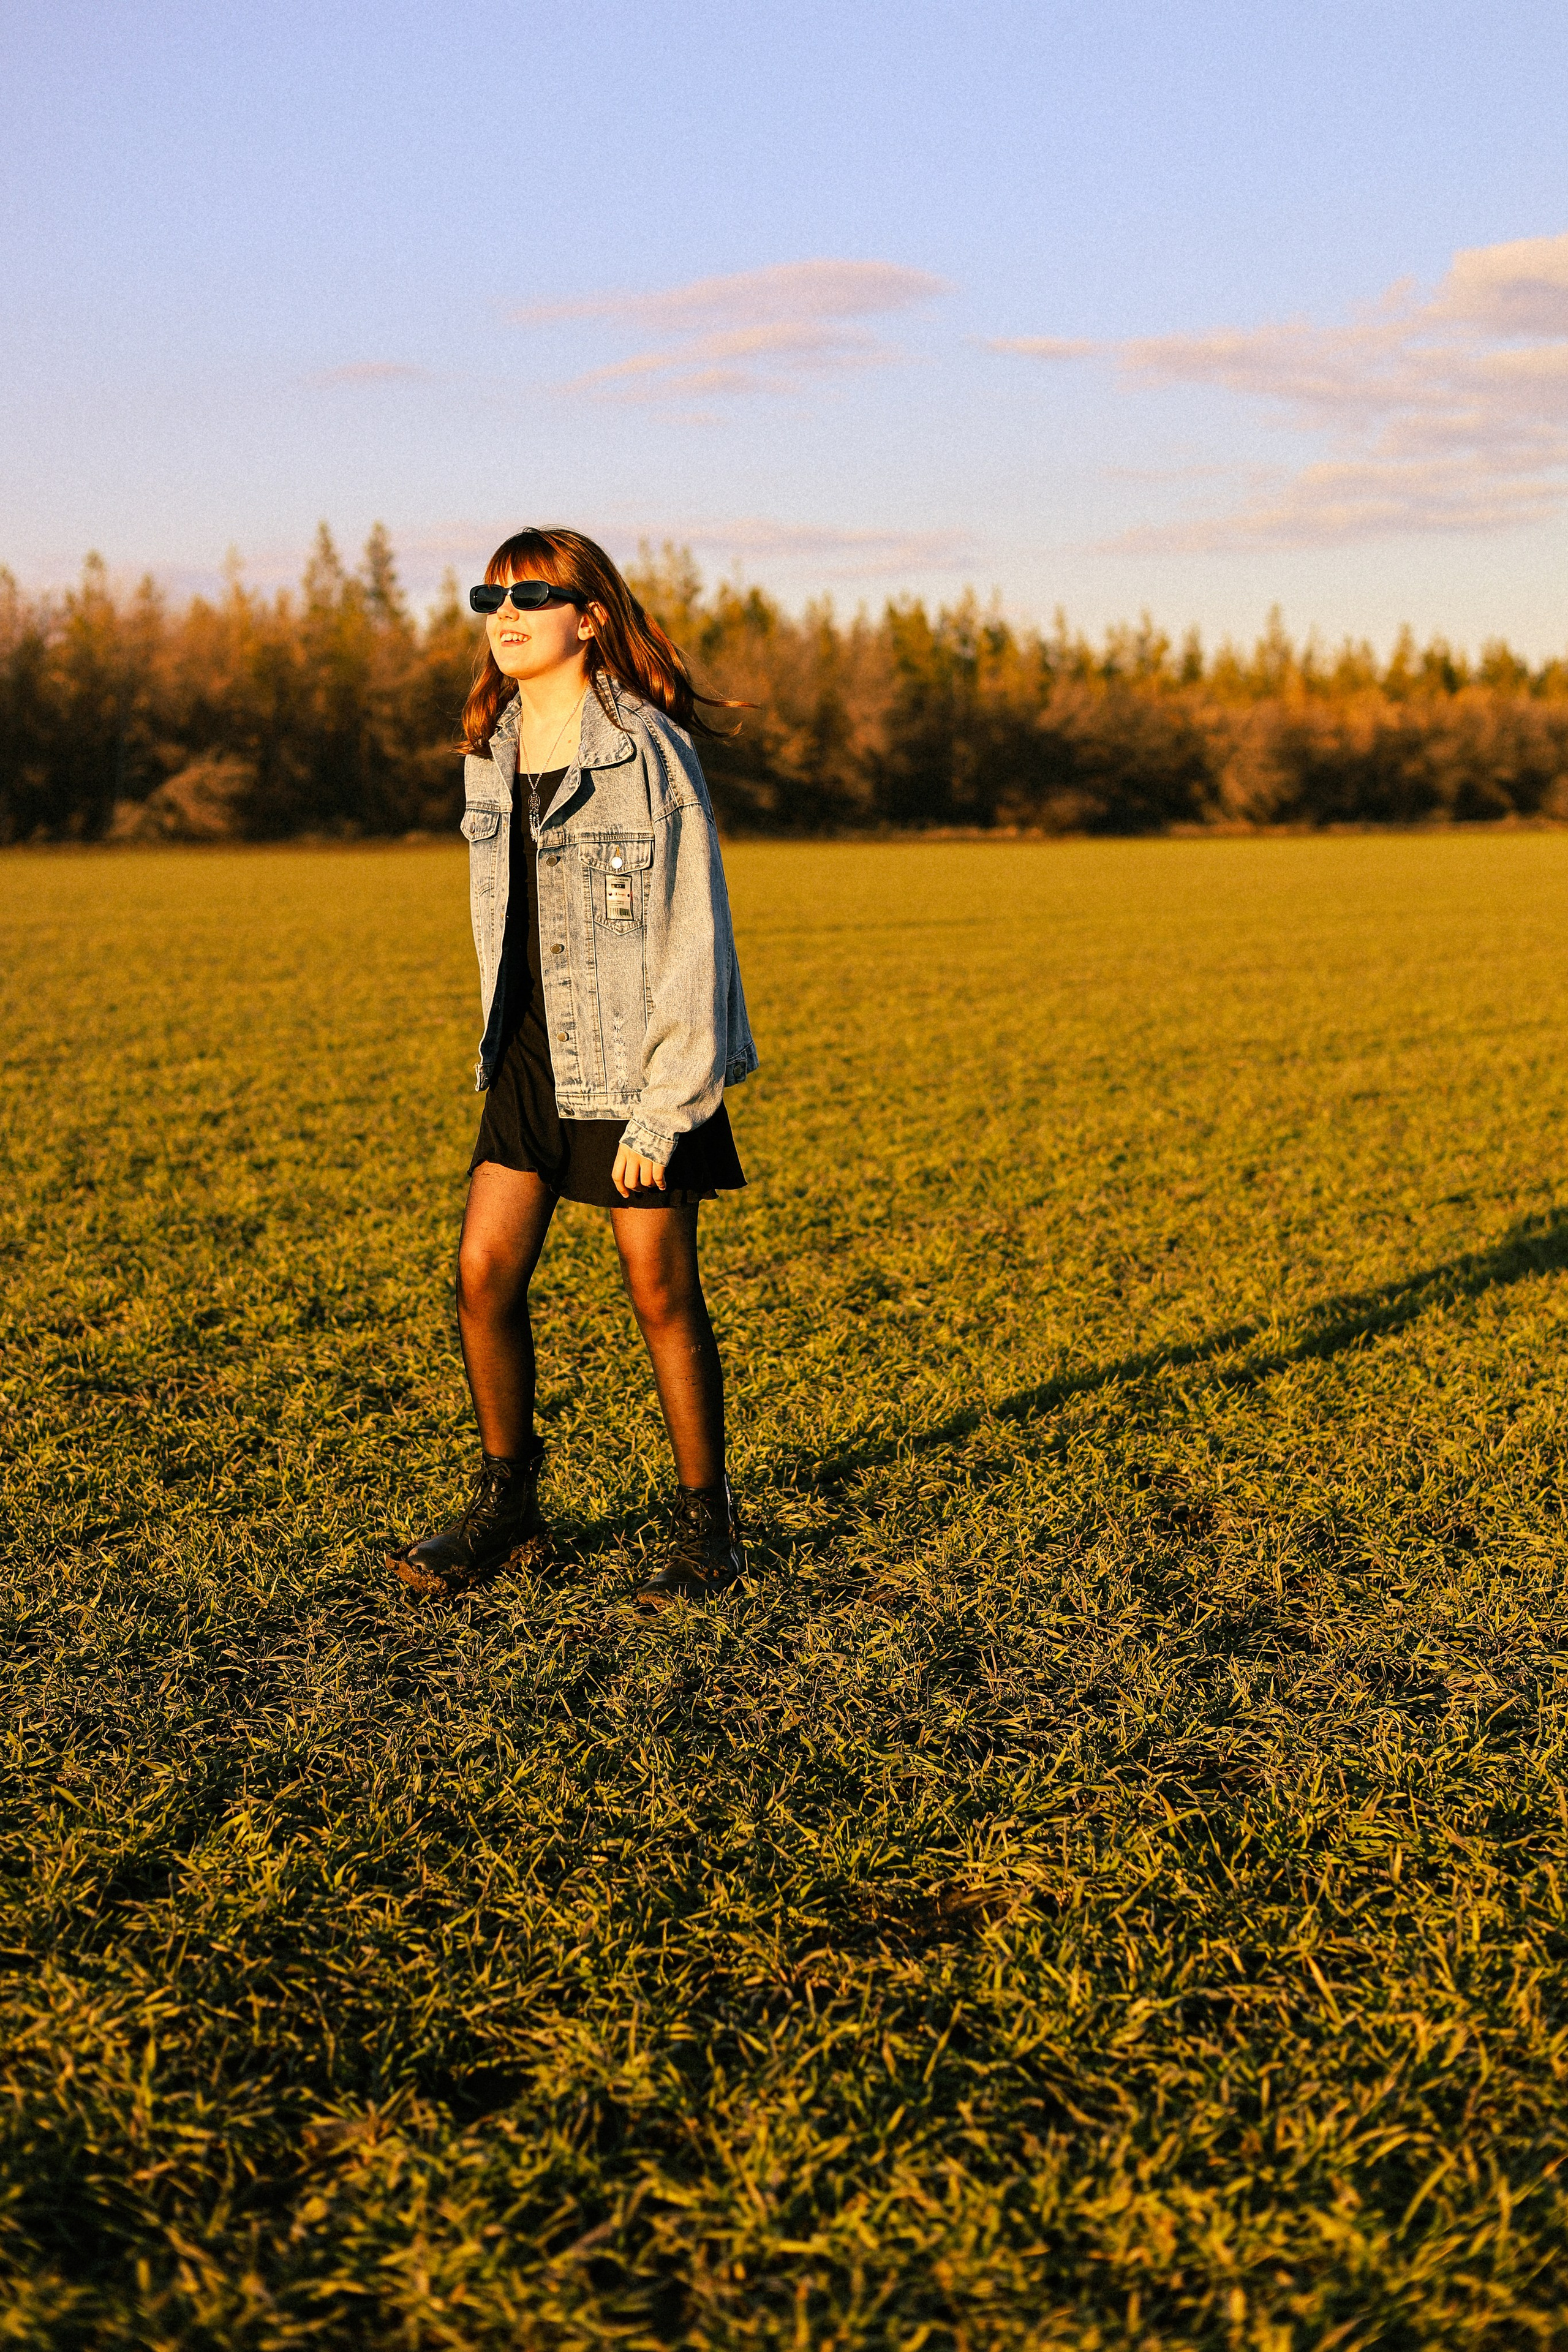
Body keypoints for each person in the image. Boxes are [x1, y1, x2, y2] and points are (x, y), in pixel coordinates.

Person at [387, 528, 757, 1608]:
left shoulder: (645, 750)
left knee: (659, 1289)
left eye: (531, 595)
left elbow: (697, 934)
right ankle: (510, 1508)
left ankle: (708, 1532)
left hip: (637, 1061)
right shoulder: (490, 747)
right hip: (528, 1058)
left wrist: (666, 1111)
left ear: (589, 616)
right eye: (488, 597)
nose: (504, 616)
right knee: (483, 1275)